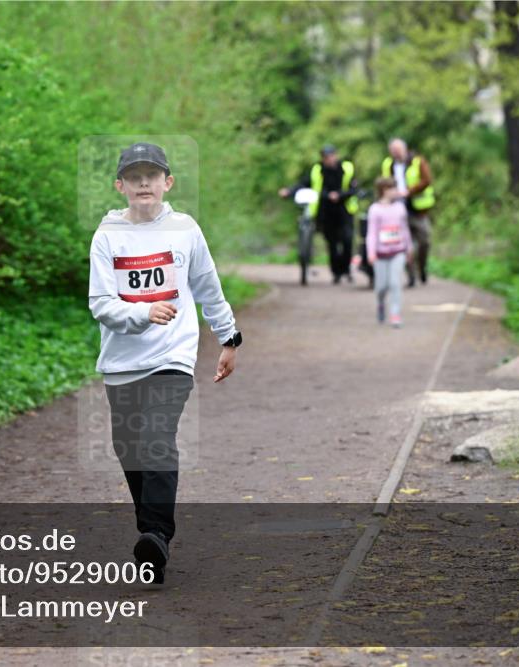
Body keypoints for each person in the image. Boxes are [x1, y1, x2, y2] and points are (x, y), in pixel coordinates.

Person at [88, 142, 242, 584]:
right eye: (133, 176)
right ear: (120, 185)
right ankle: (151, 533)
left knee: (156, 437)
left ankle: (155, 535)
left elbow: (208, 288)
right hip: (121, 361)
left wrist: (228, 337)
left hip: (172, 355)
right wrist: (141, 313)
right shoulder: (107, 237)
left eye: (151, 175)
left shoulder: (184, 230)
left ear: (167, 182)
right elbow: (100, 303)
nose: (143, 183)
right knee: (129, 448)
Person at [279, 145, 359, 284]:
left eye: (330, 156)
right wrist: (289, 191)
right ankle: (336, 273)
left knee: (347, 240)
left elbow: (354, 188)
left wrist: (339, 195)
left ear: (336, 155)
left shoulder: (347, 168)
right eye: (325, 157)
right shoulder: (317, 170)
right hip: (325, 211)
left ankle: (345, 269)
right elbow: (303, 184)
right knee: (332, 243)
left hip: (345, 210)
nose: (328, 159)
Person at [381, 138, 436, 287]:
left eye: (398, 150)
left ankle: (421, 268)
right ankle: (411, 275)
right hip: (398, 210)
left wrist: (409, 191)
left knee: (424, 241)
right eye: (393, 151)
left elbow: (426, 180)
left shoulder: (418, 161)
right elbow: (384, 183)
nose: (396, 153)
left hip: (418, 209)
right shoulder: (388, 164)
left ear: (404, 149)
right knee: (403, 244)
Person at [367, 177, 413, 329]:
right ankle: (380, 303)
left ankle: (395, 314)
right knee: (381, 286)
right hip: (381, 253)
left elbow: (404, 229)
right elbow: (372, 233)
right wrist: (371, 252)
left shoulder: (400, 208)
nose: (395, 191)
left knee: (395, 283)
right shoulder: (375, 209)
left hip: (397, 251)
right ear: (384, 190)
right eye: (392, 188)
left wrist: (408, 248)